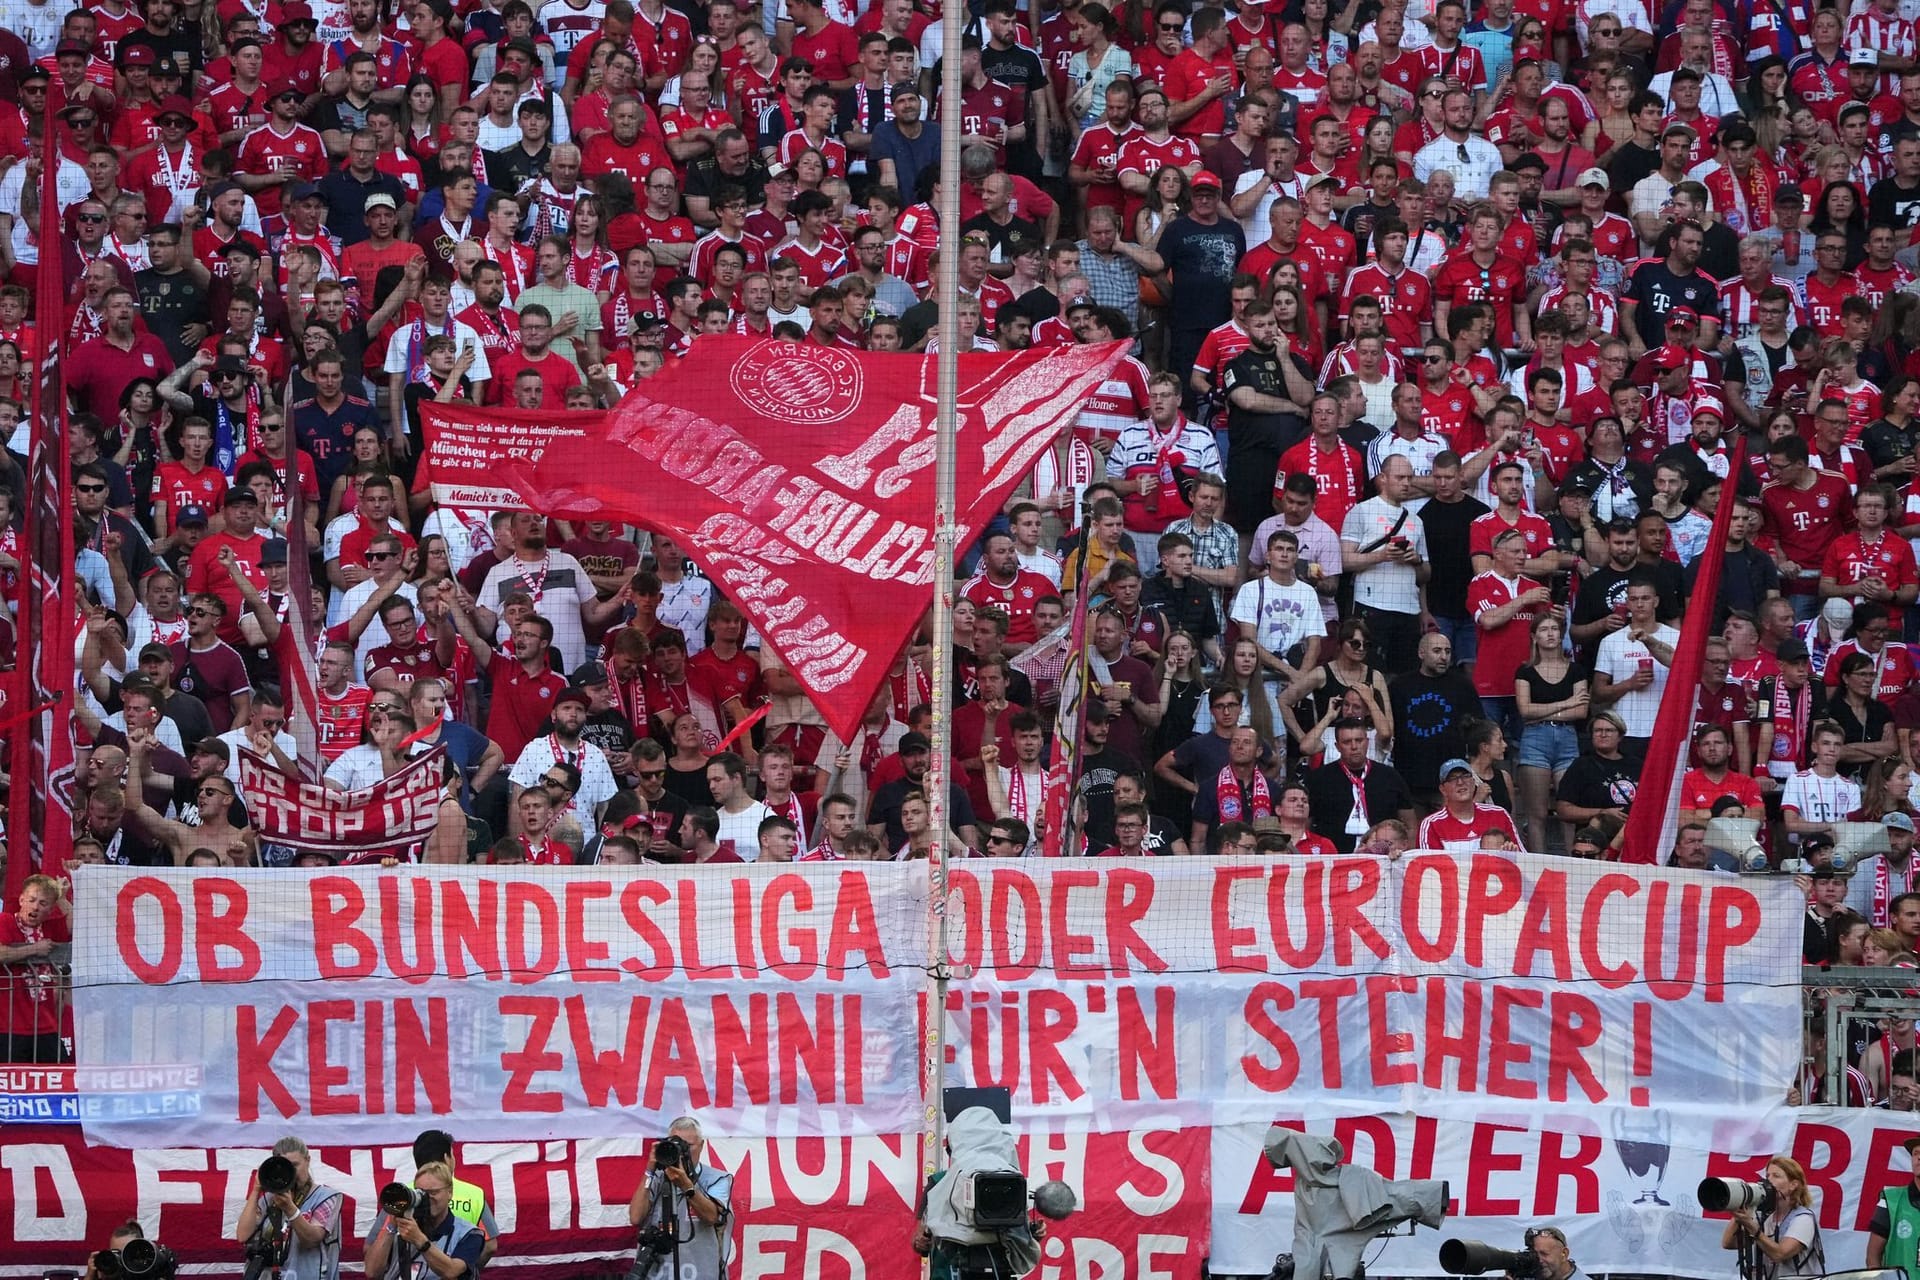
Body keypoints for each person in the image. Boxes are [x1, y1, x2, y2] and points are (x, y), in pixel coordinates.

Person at [628, 1117, 733, 1280]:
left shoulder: (718, 1179)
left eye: (688, 1146)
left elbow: (712, 1216)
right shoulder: (657, 1178)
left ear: (702, 1145)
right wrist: (650, 1170)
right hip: (658, 1275)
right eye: (677, 1146)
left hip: (702, 1274)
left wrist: (686, 1185)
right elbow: (635, 1217)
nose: (683, 1152)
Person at [235, 1137, 345, 1280]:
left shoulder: (326, 1197)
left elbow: (311, 1240)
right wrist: (256, 1189)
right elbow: (242, 1235)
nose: (291, 1173)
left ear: (308, 1160)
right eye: (285, 1167)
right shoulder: (269, 1198)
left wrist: (290, 1209)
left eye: (295, 1165)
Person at [363, 1161, 485, 1280]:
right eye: (420, 1193)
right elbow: (372, 1272)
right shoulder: (401, 1228)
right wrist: (391, 1227)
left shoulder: (469, 1234)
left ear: (450, 1193)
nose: (427, 1198)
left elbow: (451, 1271)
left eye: (433, 1192)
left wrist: (419, 1239)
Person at [1725, 1157, 1823, 1278]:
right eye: (1768, 1176)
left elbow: (1780, 1254)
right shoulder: (1765, 1217)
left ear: (1793, 1185)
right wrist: (1741, 1206)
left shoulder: (1803, 1218)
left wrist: (1752, 1228)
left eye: (1776, 1176)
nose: (1769, 1181)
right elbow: (1728, 1243)